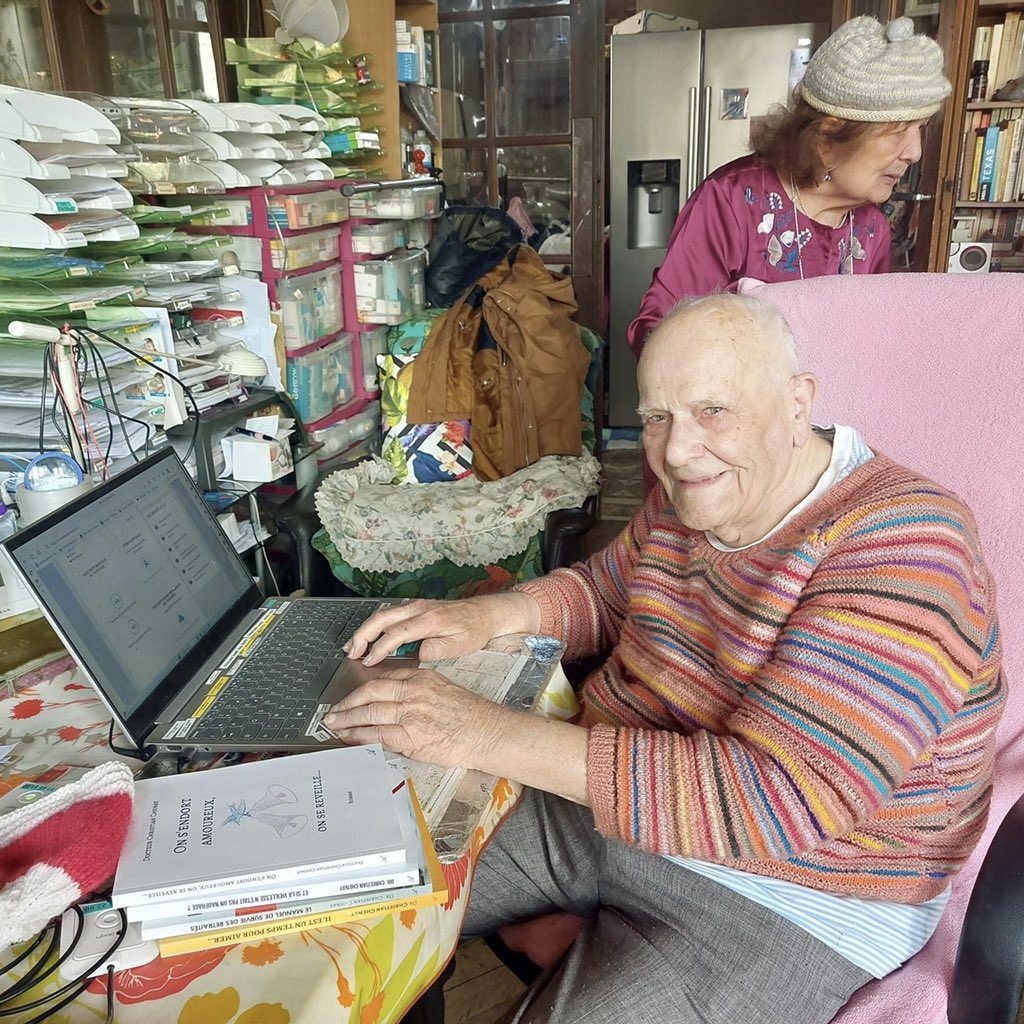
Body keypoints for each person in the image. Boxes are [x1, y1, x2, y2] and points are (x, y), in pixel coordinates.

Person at [324, 293, 1003, 1024]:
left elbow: (778, 800)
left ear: (798, 400)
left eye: (714, 410)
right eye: (657, 418)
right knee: (340, 893)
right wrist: (489, 614)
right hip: (605, 811)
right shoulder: (693, 493)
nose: (677, 451)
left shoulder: (904, 543)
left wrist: (475, 730)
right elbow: (607, 591)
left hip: (802, 892)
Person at [627, 16, 952, 355]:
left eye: (920, 129)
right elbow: (660, 333)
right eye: (898, 131)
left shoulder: (872, 230)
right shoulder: (733, 201)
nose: (914, 153)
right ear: (827, 138)